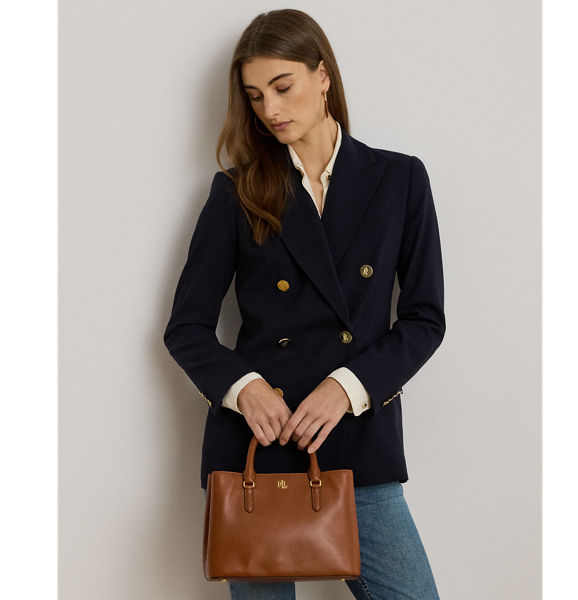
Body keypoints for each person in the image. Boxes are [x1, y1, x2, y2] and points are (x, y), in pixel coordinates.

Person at [164, 8, 445, 600]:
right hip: (257, 449)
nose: (270, 109)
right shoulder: (238, 190)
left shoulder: (399, 179)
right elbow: (186, 327)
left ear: (323, 76)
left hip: (357, 439)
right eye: (255, 96)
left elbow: (424, 319)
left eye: (282, 86)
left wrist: (347, 386)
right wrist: (245, 388)